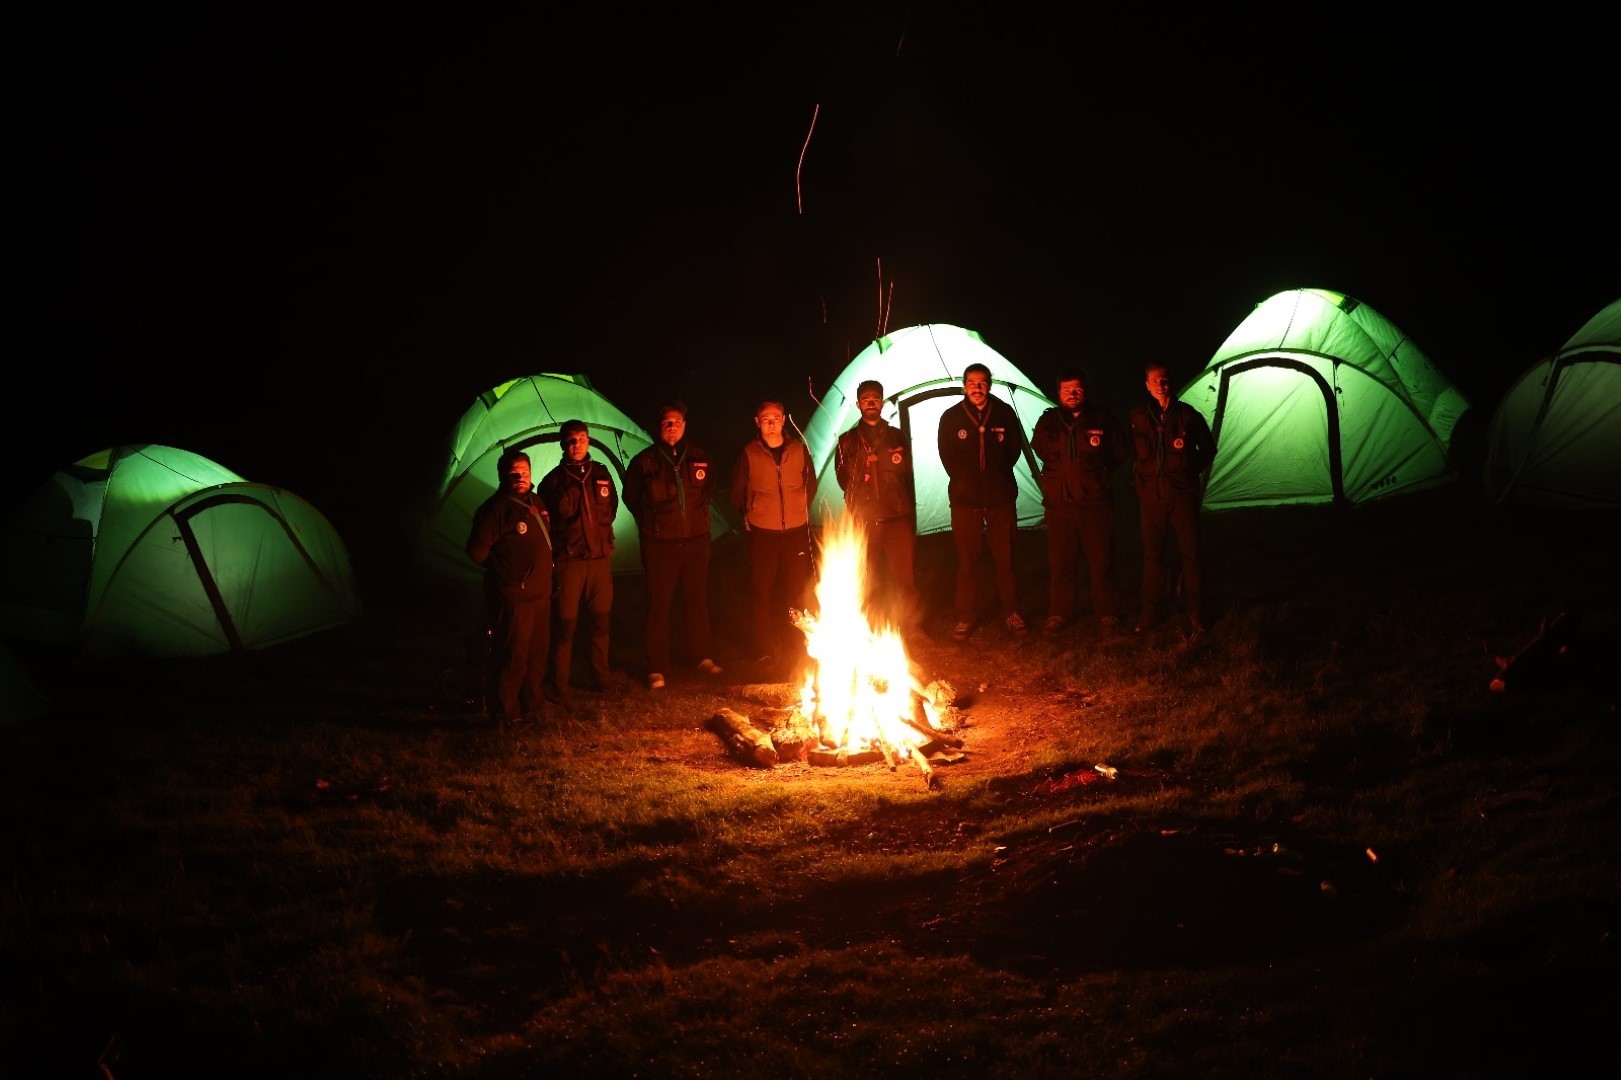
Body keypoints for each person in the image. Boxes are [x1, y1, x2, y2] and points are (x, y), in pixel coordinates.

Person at [625, 400, 723, 690]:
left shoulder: (699, 455)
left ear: (684, 425)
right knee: (659, 606)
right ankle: (657, 667)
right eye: (667, 422)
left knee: (696, 600)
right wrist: (653, 524)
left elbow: (708, 489)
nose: (672, 427)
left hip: (696, 540)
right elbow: (631, 497)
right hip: (660, 545)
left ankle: (702, 657)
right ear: (659, 426)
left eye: (676, 422)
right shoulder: (645, 462)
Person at [937, 362, 1031, 640]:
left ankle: (1012, 611)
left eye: (982, 383)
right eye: (972, 383)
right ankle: (966, 615)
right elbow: (947, 456)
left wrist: (998, 476)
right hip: (966, 501)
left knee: (1005, 559)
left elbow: (1013, 450)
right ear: (964, 386)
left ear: (989, 385)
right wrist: (966, 481)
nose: (977, 388)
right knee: (967, 560)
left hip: (1001, 498)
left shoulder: (1003, 412)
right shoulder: (951, 417)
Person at [1031, 367, 1128, 635]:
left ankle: (1108, 613)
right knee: (1061, 564)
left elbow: (1119, 453)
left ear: (1084, 390)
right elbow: (1038, 448)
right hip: (1059, 505)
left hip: (1095, 503)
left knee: (1101, 561)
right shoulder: (1048, 422)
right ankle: (1060, 613)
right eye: (1066, 390)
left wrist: (1097, 476)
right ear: (1058, 392)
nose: (1072, 394)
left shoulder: (1102, 419)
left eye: (1077, 389)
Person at [465, 448, 552, 728]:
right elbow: (477, 552)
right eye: (513, 474)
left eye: (524, 473)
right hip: (514, 596)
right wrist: (508, 572)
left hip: (540, 594)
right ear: (503, 476)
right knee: (512, 655)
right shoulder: (495, 510)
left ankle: (533, 702)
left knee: (536, 654)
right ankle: (505, 711)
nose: (520, 477)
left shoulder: (536, 502)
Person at [1128, 363, 1217, 637]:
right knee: (1153, 554)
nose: (1160, 385)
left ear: (1171, 383)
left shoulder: (1187, 415)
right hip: (1152, 496)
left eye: (1164, 380)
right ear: (1146, 385)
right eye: (1154, 380)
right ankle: (1150, 612)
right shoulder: (1139, 417)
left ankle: (1196, 613)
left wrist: (1189, 469)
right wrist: (1142, 480)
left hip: (1182, 494)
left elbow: (1209, 448)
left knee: (1191, 552)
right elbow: (1132, 452)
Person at [729, 397, 818, 670]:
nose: (771, 423)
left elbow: (810, 484)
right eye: (765, 419)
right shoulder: (749, 454)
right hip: (763, 533)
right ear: (758, 422)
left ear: (783, 419)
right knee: (762, 591)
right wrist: (750, 513)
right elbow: (736, 492)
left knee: (798, 590)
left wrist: (799, 510)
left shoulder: (798, 450)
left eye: (775, 418)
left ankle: (803, 646)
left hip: (795, 532)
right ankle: (763, 649)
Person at [833, 379, 922, 637]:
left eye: (875, 398)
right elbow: (842, 479)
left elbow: (906, 474)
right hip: (864, 519)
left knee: (904, 576)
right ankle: (864, 625)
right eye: (866, 399)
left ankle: (910, 625)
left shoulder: (896, 436)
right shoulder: (847, 440)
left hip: (896, 516)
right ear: (858, 404)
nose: (871, 403)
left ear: (882, 403)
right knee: (865, 576)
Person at [537, 418, 619, 697]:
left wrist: (603, 541)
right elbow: (545, 524)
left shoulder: (602, 475)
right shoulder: (552, 483)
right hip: (569, 563)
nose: (577, 444)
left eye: (581, 438)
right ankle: (558, 684)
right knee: (565, 624)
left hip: (599, 560)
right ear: (563, 444)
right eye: (571, 440)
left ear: (588, 441)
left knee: (600, 621)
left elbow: (612, 511)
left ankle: (601, 678)